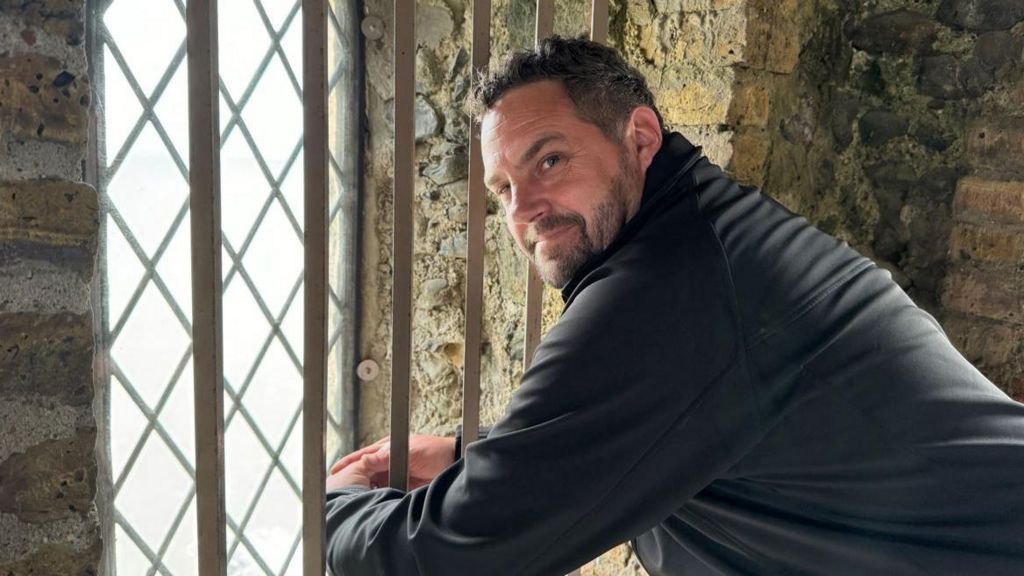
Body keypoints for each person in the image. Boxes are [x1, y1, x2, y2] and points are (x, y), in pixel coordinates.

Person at [324, 36, 1024, 575]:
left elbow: (448, 557)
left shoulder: (666, 289)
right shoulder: (700, 228)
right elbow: (652, 442)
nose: (525, 212)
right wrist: (463, 457)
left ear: (639, 138)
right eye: (503, 189)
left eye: (549, 161)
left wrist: (325, 508)